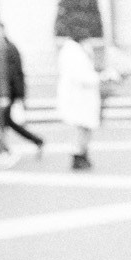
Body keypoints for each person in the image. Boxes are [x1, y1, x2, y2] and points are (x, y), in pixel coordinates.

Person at [0, 21, 41, 165]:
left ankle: (5, 151)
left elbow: (3, 74)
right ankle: (3, 150)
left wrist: (6, 95)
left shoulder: (2, 48)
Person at [55, 35, 106, 171]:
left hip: (83, 96)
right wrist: (99, 78)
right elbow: (81, 76)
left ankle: (82, 153)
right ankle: (79, 155)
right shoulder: (73, 52)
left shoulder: (77, 50)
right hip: (78, 96)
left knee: (85, 126)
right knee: (81, 127)